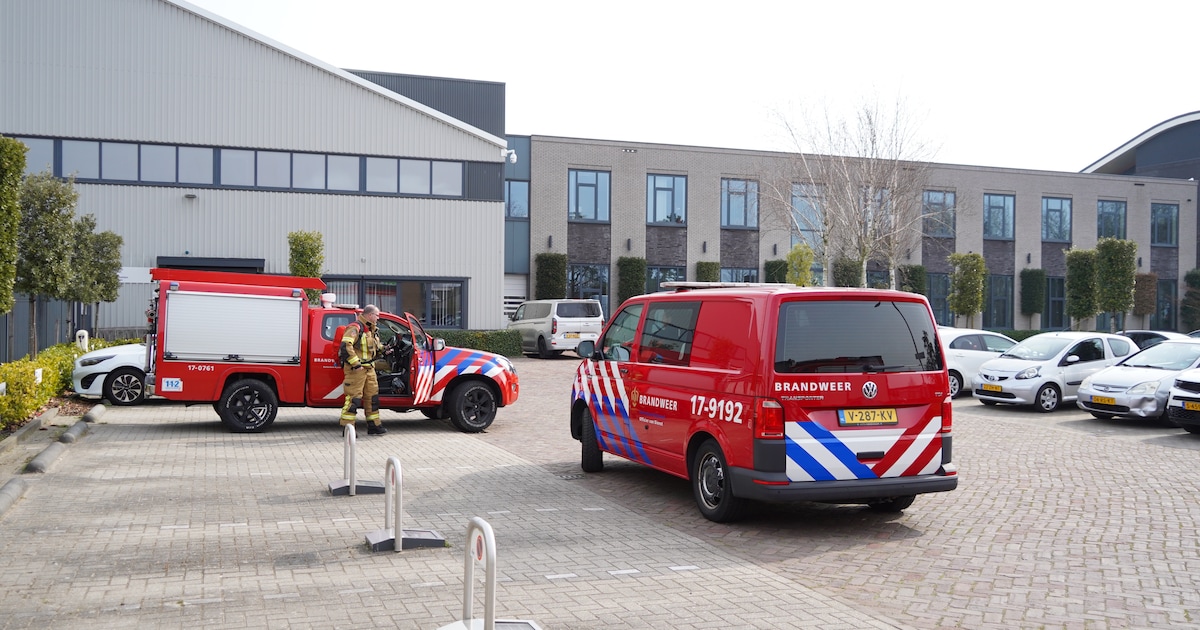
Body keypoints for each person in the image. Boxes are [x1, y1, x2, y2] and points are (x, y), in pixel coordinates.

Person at [339, 305, 386, 435]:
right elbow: (345, 346)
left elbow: (373, 347)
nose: (378, 318)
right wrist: (356, 364)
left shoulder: (371, 330)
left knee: (372, 398)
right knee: (353, 399)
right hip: (356, 370)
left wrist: (384, 349)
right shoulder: (355, 327)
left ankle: (374, 425)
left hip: (369, 369)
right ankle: (348, 428)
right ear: (370, 315)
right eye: (377, 315)